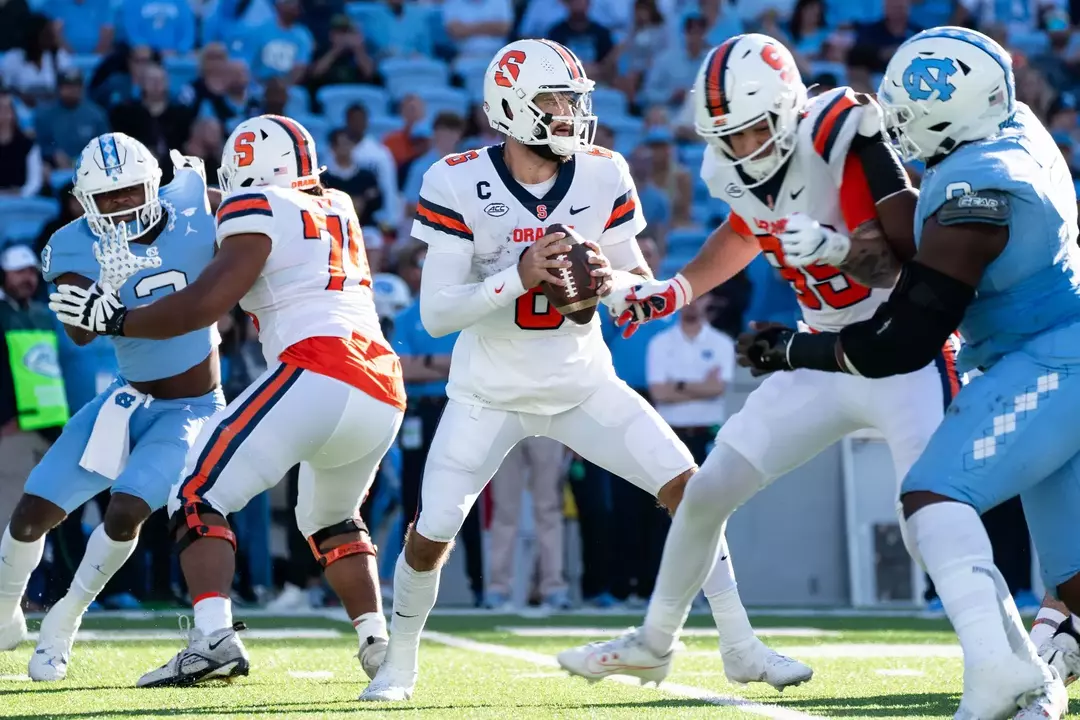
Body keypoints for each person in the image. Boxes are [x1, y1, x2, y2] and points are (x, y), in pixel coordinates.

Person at [557, 33, 952, 691]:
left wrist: (830, 247)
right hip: (820, 350)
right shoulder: (730, 168)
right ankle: (655, 642)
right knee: (705, 495)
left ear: (788, 108)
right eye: (728, 137)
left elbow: (898, 254)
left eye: (752, 130)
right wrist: (677, 290)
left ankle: (1011, 658)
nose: (742, 149)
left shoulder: (838, 135)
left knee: (931, 521)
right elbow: (744, 228)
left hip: (898, 350)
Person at [734, 27, 1079, 718]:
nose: (897, 132)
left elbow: (906, 340)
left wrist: (792, 351)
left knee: (932, 497)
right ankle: (1043, 659)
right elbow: (927, 255)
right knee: (1073, 582)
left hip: (1048, 362)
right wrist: (839, 246)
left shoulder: (980, 192)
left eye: (905, 121)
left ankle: (997, 677)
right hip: (1046, 349)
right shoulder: (1007, 126)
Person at [359, 38, 701, 703]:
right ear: (512, 107)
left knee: (691, 486)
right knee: (431, 533)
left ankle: (735, 640)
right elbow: (435, 316)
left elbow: (634, 279)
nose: (570, 113)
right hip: (487, 392)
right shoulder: (455, 178)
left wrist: (619, 284)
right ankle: (399, 664)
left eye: (574, 100)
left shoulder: (603, 171)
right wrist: (517, 277)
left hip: (580, 382)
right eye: (554, 100)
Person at [50, 114, 405, 689]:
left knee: (195, 492)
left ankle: (212, 638)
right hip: (382, 386)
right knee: (331, 517)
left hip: (317, 367)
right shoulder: (337, 203)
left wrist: (119, 316)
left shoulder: (254, 206)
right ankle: (376, 643)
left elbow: (206, 301)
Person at [0, 133, 224, 682]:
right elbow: (77, 332)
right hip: (125, 400)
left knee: (127, 510)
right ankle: (6, 614)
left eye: (128, 192)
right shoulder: (72, 244)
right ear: (84, 200)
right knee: (30, 517)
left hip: (191, 407)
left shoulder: (195, 206)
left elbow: (256, 216)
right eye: (107, 198)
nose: (122, 204)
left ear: (152, 183)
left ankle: (63, 622)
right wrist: (89, 309)